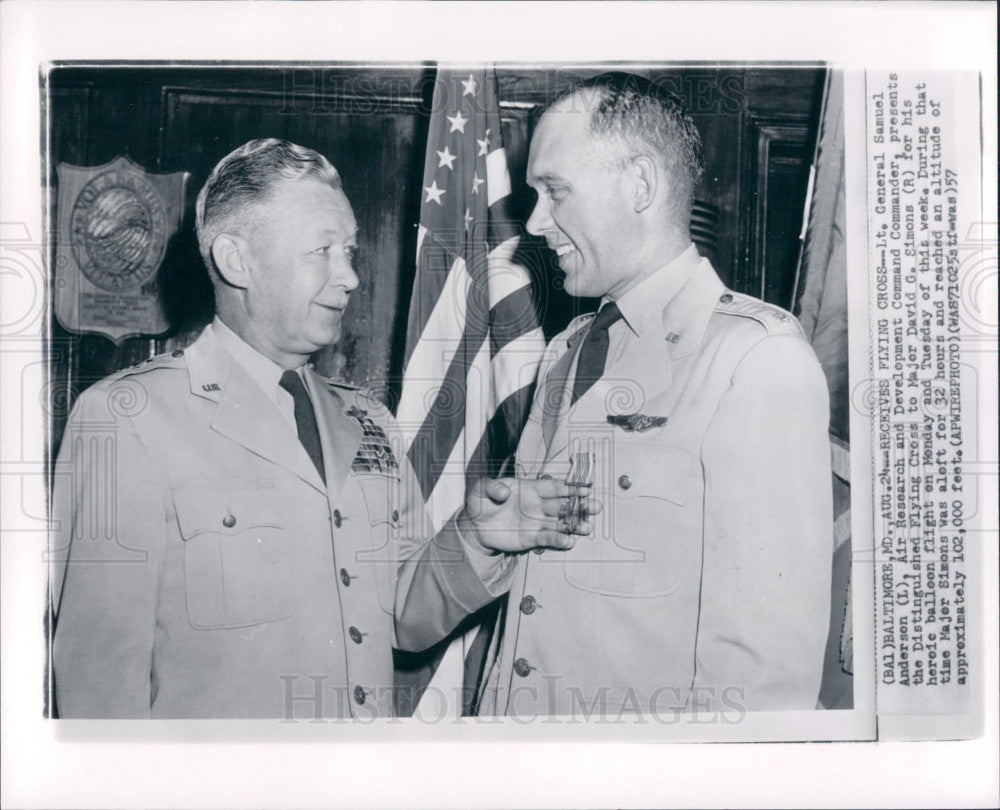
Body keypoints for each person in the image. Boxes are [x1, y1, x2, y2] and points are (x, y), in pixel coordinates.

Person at [50, 138, 594, 719]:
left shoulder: (367, 421)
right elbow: (98, 684)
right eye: (323, 250)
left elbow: (401, 617)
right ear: (238, 261)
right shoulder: (127, 417)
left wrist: (475, 538)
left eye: (351, 251)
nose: (351, 277)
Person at [396, 73, 833, 716]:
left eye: (554, 192)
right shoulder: (566, 351)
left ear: (640, 185)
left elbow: (764, 683)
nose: (536, 223)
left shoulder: (753, 358)